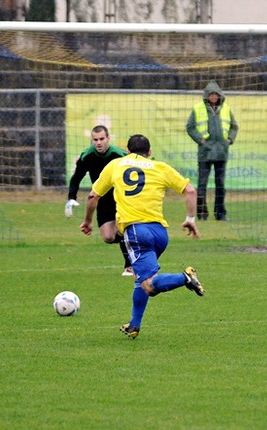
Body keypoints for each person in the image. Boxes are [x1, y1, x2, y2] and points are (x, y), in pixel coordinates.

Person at [80, 134, 205, 340]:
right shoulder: (160, 167)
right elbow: (190, 191)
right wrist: (190, 218)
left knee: (149, 284)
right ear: (149, 153)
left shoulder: (116, 165)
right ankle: (134, 325)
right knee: (140, 279)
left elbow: (93, 196)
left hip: (136, 231)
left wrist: (87, 221)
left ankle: (185, 278)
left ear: (128, 151)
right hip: (160, 233)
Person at [66, 125, 133, 277]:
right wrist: (71, 198)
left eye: (102, 139)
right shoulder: (87, 156)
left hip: (120, 199)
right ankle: (135, 242)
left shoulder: (119, 155)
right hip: (101, 200)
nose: (98, 143)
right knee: (108, 237)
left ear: (108, 138)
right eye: (95, 140)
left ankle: (129, 265)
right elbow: (76, 177)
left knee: (121, 229)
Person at [186, 81, 239, 221]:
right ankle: (202, 214)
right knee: (202, 184)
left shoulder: (226, 108)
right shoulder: (198, 108)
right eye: (211, 94)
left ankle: (220, 214)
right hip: (205, 153)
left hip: (221, 152)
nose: (214, 97)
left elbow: (234, 126)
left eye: (216, 94)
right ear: (206, 96)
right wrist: (200, 140)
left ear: (220, 95)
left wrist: (229, 140)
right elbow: (190, 127)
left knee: (220, 185)